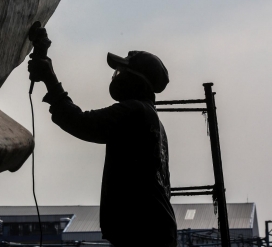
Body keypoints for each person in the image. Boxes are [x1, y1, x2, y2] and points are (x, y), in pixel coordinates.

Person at [28, 30, 178, 247]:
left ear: (136, 80)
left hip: (142, 235)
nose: (116, 75)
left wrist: (50, 78)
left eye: (121, 71)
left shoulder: (135, 112)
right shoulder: (152, 121)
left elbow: (79, 122)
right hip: (153, 232)